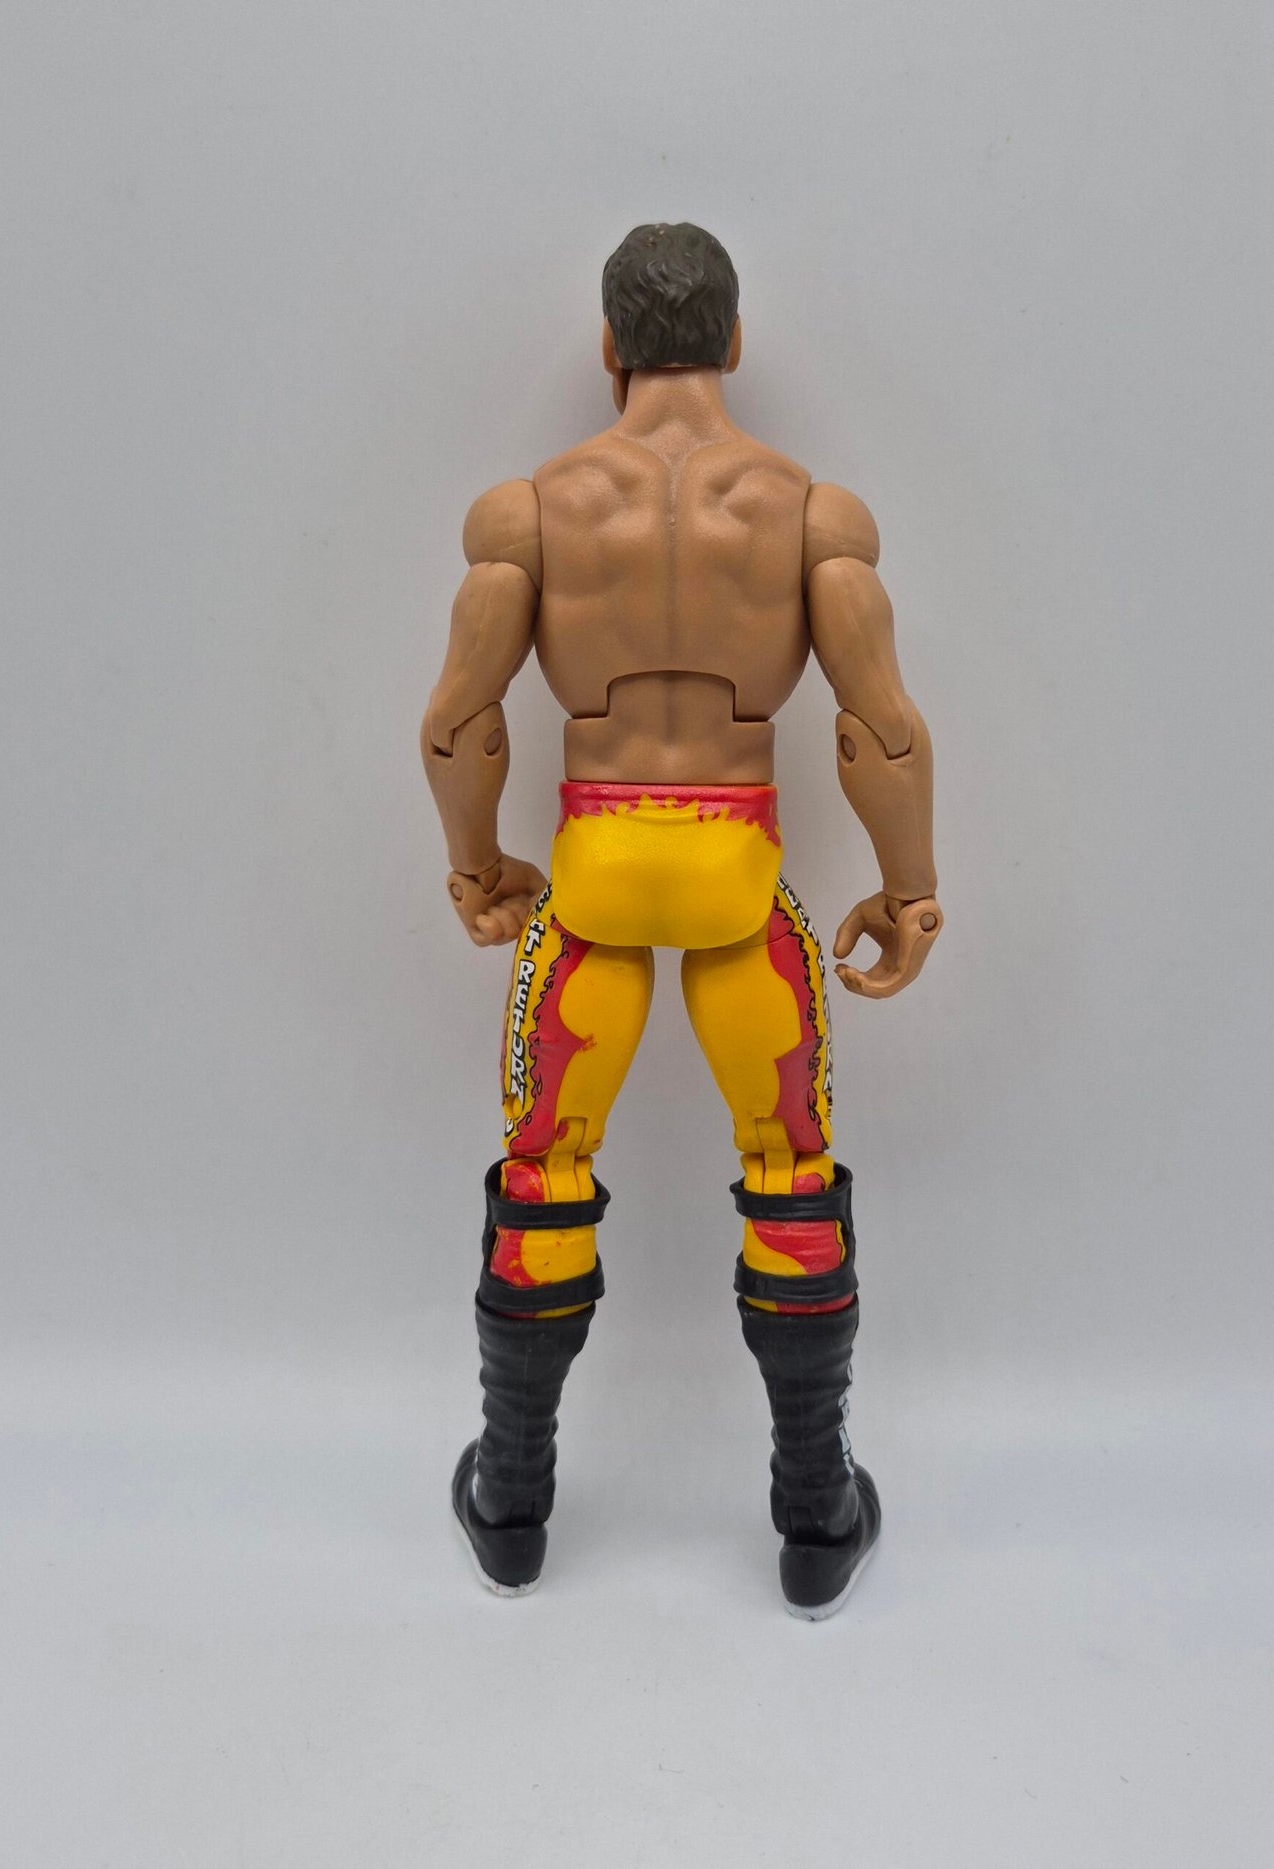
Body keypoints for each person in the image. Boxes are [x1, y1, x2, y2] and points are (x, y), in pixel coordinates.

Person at [421, 222, 942, 1618]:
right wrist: (909, 886)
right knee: (791, 1163)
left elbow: (461, 718)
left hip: (593, 877)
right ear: (733, 343)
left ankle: (512, 1502)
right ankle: (815, 1515)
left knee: (544, 1165)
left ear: (608, 346)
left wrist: (476, 864)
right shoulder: (810, 513)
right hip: (735, 879)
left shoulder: (529, 512)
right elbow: (880, 728)